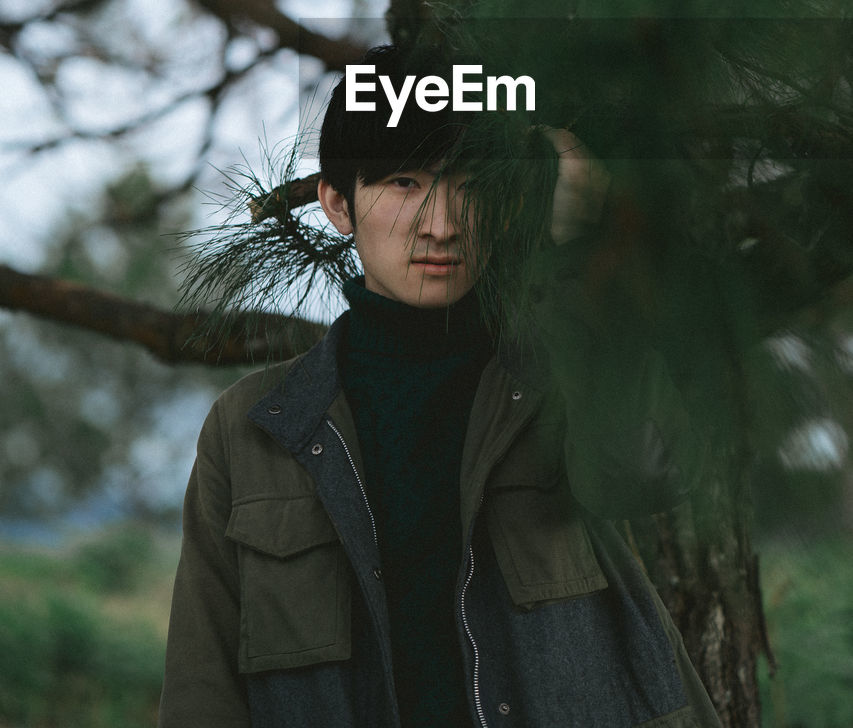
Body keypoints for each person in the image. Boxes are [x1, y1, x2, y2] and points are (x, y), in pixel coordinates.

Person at [158, 44, 722, 728]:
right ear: (338, 203)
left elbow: (641, 476)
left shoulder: (558, 371)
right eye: (402, 183)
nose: (442, 224)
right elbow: (202, 684)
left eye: (472, 185)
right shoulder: (254, 425)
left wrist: (584, 249)